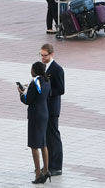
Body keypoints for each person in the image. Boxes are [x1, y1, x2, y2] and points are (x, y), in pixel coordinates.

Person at [19, 61, 52, 184]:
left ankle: (38, 174)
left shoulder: (35, 83)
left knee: (34, 145)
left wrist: (21, 93)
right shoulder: (47, 81)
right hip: (44, 113)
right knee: (43, 143)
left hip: (35, 116)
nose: (30, 71)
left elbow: (27, 100)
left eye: (32, 69)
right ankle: (46, 170)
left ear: (35, 70)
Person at [38, 44, 65, 177]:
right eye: (41, 55)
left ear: (51, 54)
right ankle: (48, 164)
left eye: (45, 55)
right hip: (44, 108)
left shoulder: (57, 69)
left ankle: (57, 166)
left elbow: (61, 89)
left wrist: (46, 92)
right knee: (47, 137)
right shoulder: (43, 67)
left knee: (54, 136)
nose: (43, 58)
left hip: (52, 108)